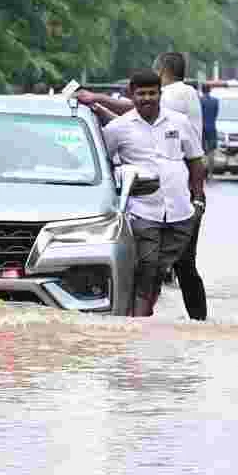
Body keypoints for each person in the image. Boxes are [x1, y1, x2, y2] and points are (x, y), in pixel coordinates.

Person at [75, 52, 209, 320]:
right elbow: (103, 166)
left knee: (183, 268)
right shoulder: (118, 129)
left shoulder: (178, 121)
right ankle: (138, 328)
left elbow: (196, 162)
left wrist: (198, 201)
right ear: (131, 95)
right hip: (142, 211)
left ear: (161, 93)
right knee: (147, 268)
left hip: (183, 212)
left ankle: (200, 327)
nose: (147, 99)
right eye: (141, 94)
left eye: (152, 93)